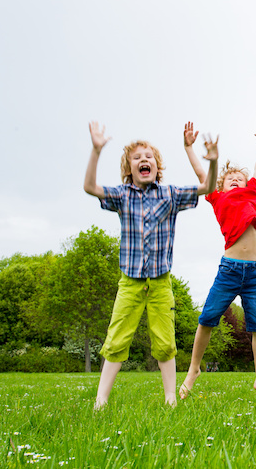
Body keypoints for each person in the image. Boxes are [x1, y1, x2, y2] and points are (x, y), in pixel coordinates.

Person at [84, 121, 214, 409]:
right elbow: (90, 187)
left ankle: (171, 399)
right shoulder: (122, 194)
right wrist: (96, 150)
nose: (144, 160)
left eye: (149, 157)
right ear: (128, 169)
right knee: (117, 340)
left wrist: (209, 159)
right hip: (129, 282)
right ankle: (100, 401)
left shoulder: (169, 195)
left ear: (157, 166)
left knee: (165, 341)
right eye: (137, 157)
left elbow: (207, 186)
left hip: (160, 282)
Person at [179, 122, 256, 402]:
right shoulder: (217, 197)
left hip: (255, 272)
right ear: (220, 185)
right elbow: (202, 172)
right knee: (207, 318)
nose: (236, 179)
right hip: (229, 269)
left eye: (240, 178)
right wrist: (189, 148)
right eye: (230, 177)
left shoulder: (252, 193)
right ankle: (193, 370)